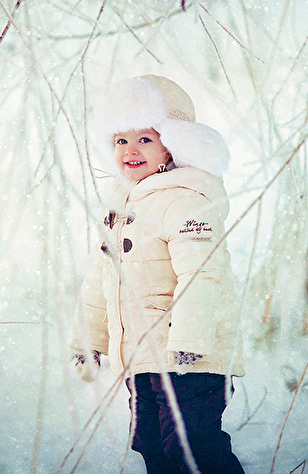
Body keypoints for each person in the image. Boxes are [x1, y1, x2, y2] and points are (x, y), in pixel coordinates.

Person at [69, 75, 245, 474]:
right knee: (151, 443)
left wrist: (190, 342)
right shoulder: (119, 206)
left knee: (189, 445)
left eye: (145, 138)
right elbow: (101, 279)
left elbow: (202, 275)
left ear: (172, 142)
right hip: (141, 356)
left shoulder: (186, 199)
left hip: (189, 357)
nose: (130, 150)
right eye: (121, 140)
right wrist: (86, 340)